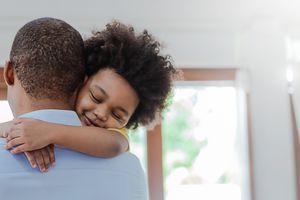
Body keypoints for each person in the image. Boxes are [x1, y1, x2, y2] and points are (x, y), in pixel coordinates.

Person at [0, 17, 148, 200]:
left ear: (8, 73)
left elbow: (115, 144)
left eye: (117, 115)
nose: (101, 114)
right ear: (82, 83)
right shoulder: (131, 171)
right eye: (96, 97)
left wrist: (47, 132)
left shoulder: (114, 140)